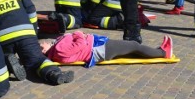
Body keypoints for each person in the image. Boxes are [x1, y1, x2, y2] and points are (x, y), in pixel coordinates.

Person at [40, 31, 173, 65]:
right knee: (133, 45)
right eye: (41, 46)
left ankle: (156, 51)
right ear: (44, 51)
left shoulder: (56, 48)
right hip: (100, 49)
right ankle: (162, 52)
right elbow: (79, 44)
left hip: (98, 47)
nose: (43, 43)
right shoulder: (58, 49)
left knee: (131, 49)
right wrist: (78, 34)